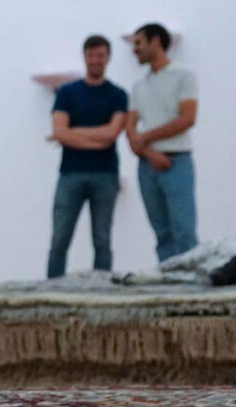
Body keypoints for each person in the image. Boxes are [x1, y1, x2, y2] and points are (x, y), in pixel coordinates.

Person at [45, 35, 128, 278]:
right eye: (91, 55)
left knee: (102, 240)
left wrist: (74, 133)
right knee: (60, 239)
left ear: (108, 58)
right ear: (85, 57)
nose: (95, 60)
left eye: (100, 55)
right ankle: (52, 292)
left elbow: (112, 134)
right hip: (70, 175)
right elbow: (60, 132)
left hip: (106, 175)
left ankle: (101, 293)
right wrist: (96, 137)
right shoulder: (67, 93)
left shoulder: (118, 95)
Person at [126, 23, 199, 262]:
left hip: (178, 162)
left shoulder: (184, 75)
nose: (134, 49)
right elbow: (131, 127)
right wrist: (150, 153)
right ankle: (169, 291)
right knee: (163, 236)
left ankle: (194, 293)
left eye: (138, 43)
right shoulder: (139, 86)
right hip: (148, 166)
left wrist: (145, 138)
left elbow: (187, 119)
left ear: (155, 41)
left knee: (184, 233)